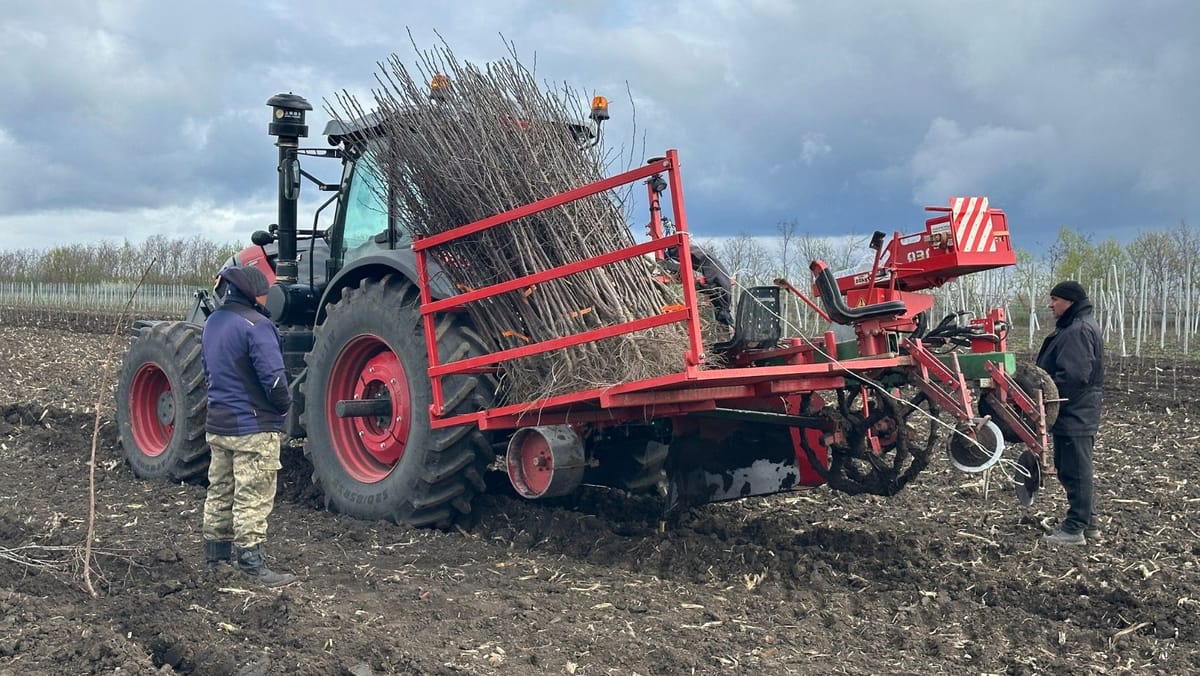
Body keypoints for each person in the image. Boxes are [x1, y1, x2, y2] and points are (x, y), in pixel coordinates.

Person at [200, 265, 296, 585]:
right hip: (253, 428)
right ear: (254, 293)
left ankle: (216, 558)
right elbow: (275, 381)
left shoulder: (212, 323)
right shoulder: (257, 325)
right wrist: (283, 408)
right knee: (252, 496)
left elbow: (207, 371)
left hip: (218, 424)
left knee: (220, 491)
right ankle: (252, 564)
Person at [1036, 280, 1104, 546]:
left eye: (1056, 299)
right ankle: (1090, 524)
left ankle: (1075, 529)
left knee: (1075, 470)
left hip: (1074, 410)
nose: (1051, 304)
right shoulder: (1075, 326)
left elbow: (1074, 377)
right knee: (1072, 467)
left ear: (1070, 301)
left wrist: (1047, 400)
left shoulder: (1078, 330)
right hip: (1075, 410)